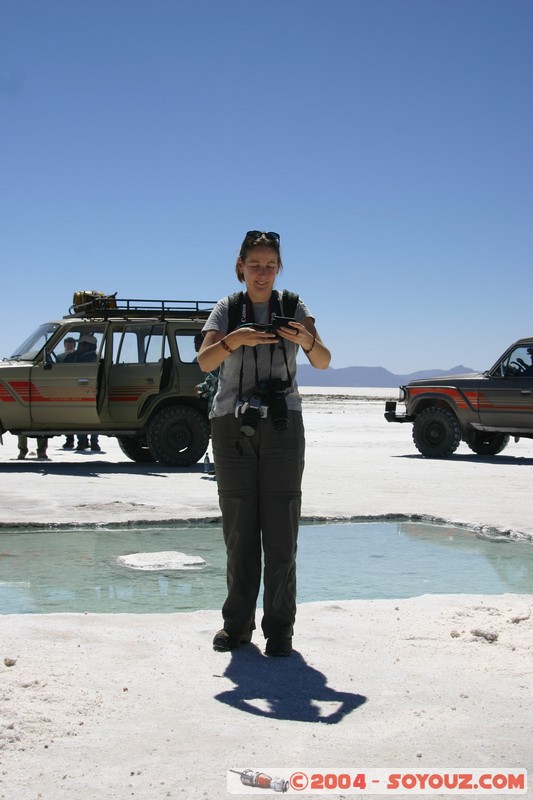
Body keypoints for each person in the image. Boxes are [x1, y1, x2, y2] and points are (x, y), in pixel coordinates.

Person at [198, 230, 330, 657]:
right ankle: (236, 625)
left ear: (279, 268)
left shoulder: (294, 306)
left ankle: (280, 630)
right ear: (240, 266)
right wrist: (235, 339)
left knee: (281, 529)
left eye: (270, 265)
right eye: (254, 265)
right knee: (239, 529)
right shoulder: (228, 309)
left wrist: (304, 339)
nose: (261, 273)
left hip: (282, 424)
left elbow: (323, 359)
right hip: (231, 424)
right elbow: (204, 360)